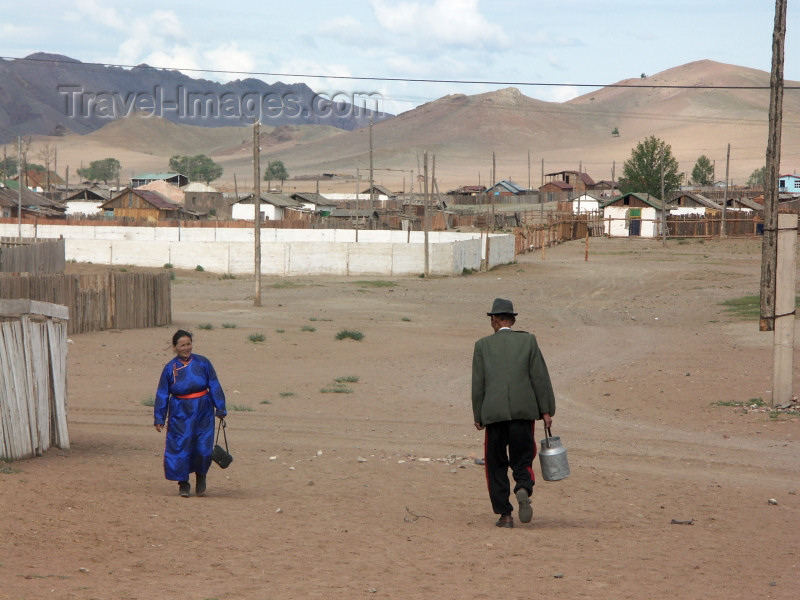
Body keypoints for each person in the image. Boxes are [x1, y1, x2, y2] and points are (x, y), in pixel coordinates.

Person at [472, 298, 556, 528]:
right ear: (513, 319)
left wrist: (478, 415)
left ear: (495, 320)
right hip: (523, 412)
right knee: (523, 456)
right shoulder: (528, 341)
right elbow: (539, 378)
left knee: (495, 463)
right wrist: (546, 411)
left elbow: (478, 384)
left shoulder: (482, 346)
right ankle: (522, 486)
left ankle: (505, 515)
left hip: (494, 414)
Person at [154, 329, 227, 497]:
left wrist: (220, 407)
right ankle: (183, 483)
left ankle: (201, 476)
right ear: (175, 347)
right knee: (181, 447)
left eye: (188, 344)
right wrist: (160, 417)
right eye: (182, 345)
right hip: (180, 412)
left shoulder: (203, 363)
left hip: (203, 410)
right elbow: (162, 393)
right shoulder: (169, 368)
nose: (186, 347)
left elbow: (214, 385)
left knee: (203, 448)